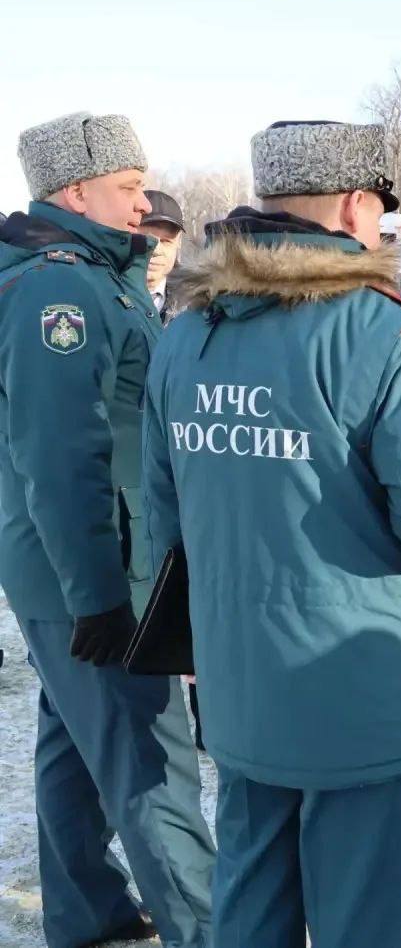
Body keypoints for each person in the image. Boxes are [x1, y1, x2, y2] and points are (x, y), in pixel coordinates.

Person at [142, 119, 401, 948]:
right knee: (360, 909)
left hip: (239, 672)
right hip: (355, 679)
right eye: (380, 210)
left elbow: (167, 514)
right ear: (353, 208)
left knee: (251, 888)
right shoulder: (382, 332)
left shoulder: (189, 333)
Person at [0, 112, 214, 948]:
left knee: (71, 742)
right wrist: (97, 596)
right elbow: (61, 456)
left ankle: (90, 911)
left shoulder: (96, 274)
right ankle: (213, 928)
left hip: (79, 566)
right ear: (73, 191)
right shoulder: (63, 287)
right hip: (97, 572)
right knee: (149, 762)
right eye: (128, 188)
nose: (142, 205)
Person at [139, 189, 184, 322]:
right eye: (147, 240)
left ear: (178, 243)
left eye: (166, 241)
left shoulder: (197, 305)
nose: (156, 250)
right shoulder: (101, 295)